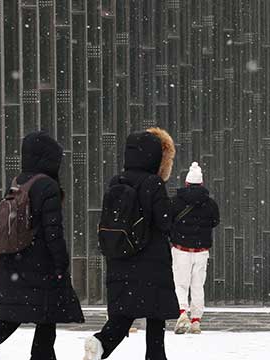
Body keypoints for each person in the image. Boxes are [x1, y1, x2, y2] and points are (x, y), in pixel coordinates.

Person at [0, 131, 84, 359]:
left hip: (13, 261)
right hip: (40, 264)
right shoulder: (47, 186)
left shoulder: (17, 183)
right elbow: (53, 232)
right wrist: (61, 263)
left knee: (15, 313)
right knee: (46, 317)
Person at [84, 128, 180, 360]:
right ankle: (155, 356)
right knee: (155, 317)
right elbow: (165, 221)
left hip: (120, 258)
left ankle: (100, 342)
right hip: (151, 262)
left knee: (123, 314)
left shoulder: (116, 181)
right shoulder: (153, 183)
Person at [170, 162, 220, 335]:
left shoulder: (175, 202)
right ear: (202, 183)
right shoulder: (211, 204)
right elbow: (215, 222)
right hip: (201, 252)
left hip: (180, 249)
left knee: (180, 284)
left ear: (186, 183)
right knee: (198, 285)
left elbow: (167, 221)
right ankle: (196, 320)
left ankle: (182, 312)